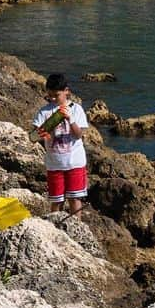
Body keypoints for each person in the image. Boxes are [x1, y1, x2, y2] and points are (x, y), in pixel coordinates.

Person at [33, 72, 88, 217]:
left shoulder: (76, 109)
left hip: (74, 162)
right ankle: (54, 227)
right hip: (54, 164)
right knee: (56, 200)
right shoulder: (44, 111)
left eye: (56, 95)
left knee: (74, 198)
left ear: (66, 91)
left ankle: (77, 229)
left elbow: (78, 135)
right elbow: (35, 135)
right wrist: (43, 132)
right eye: (50, 95)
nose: (52, 98)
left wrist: (70, 119)